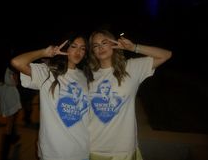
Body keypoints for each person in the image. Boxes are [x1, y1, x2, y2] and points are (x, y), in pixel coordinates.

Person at [88, 29, 172, 160]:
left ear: (113, 44)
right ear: (93, 51)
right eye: (95, 45)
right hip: (94, 147)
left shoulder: (131, 68)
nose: (100, 47)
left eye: (104, 42)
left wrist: (134, 47)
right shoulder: (88, 75)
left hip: (123, 149)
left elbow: (166, 54)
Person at [11, 32, 93, 160]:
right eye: (74, 46)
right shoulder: (48, 72)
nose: (78, 52)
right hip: (53, 152)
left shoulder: (85, 76)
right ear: (66, 48)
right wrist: (45, 53)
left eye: (82, 48)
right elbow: (17, 62)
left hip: (80, 150)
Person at [0, 60, 22, 160]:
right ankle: (4, 154)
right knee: (9, 125)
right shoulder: (8, 70)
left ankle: (14, 137)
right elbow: (14, 82)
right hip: (9, 98)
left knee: (12, 121)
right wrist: (16, 77)